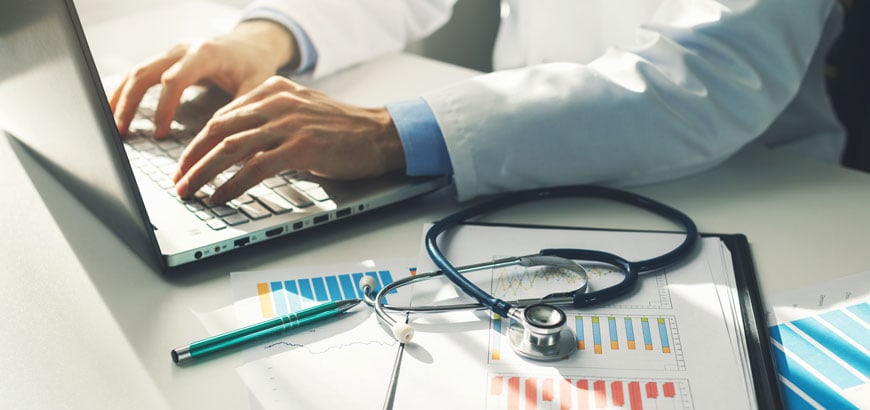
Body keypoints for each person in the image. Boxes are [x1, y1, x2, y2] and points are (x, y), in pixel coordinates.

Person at [110, 0, 846, 204]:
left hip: (747, 195)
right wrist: (269, 36)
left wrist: (387, 133)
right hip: (519, 176)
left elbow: (703, 84)